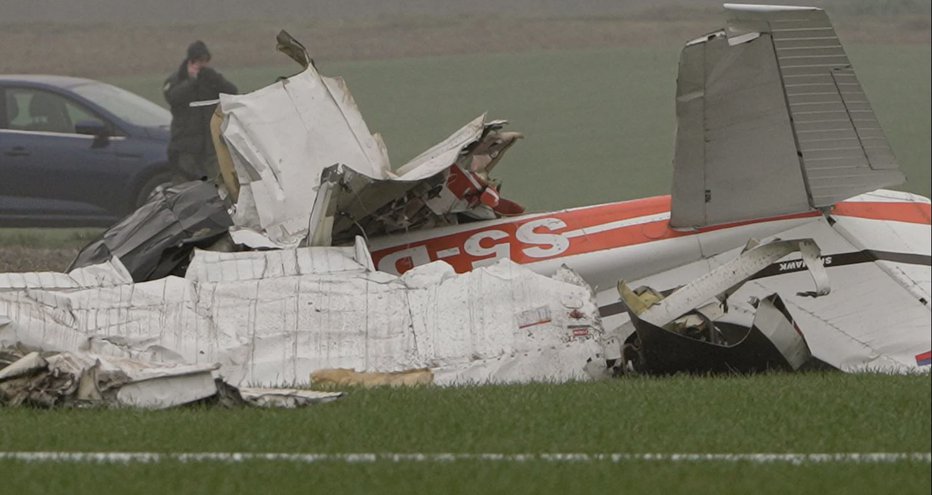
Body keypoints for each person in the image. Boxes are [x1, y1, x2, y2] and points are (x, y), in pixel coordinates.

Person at [163, 40, 237, 183]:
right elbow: (172, 97)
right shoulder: (177, 79)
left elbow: (232, 91)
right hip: (186, 146)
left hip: (209, 144)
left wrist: (215, 78)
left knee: (215, 183)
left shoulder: (210, 78)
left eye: (204, 61)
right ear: (190, 61)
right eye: (198, 61)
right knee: (185, 184)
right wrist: (192, 80)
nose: (201, 65)